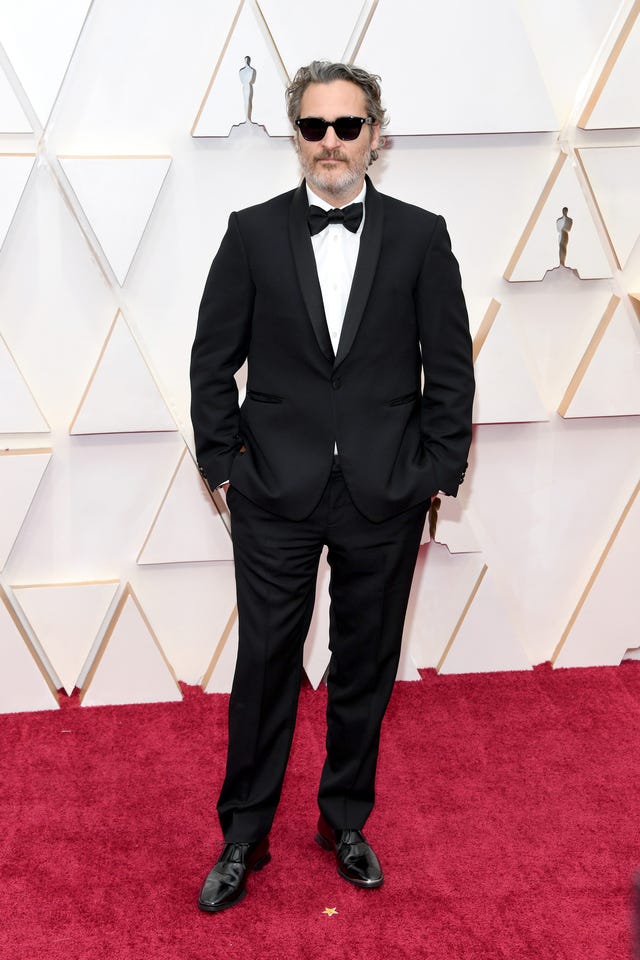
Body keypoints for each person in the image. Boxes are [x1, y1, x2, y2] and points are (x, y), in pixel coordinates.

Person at [190, 60, 475, 913]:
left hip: (385, 492)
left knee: (365, 665)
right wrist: (223, 468)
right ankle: (244, 835)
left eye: (347, 126)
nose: (330, 143)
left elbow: (449, 369)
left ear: (375, 135)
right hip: (274, 491)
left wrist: (437, 472)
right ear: (296, 136)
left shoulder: (422, 236)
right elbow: (212, 362)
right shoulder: (250, 233)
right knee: (266, 664)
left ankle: (344, 819)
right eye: (314, 127)